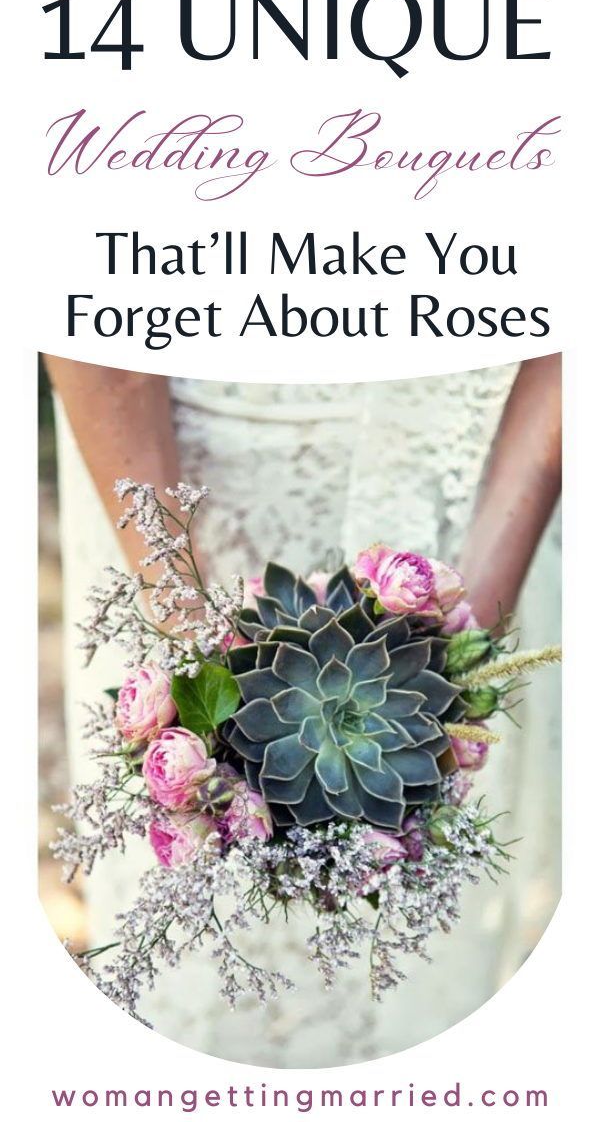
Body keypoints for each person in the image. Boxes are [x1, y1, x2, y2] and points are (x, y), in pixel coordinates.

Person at [45, 355, 561, 1068]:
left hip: (473, 478)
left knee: (432, 977)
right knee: (195, 979)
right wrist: (188, 652)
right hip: (183, 488)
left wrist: (468, 626)